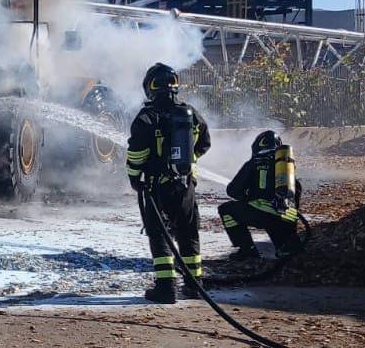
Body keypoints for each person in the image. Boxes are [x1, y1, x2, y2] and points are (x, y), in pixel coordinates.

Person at [126, 62, 211, 304]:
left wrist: (134, 178)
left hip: (157, 187)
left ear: (149, 87)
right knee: (188, 232)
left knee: (159, 234)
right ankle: (195, 286)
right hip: (185, 185)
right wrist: (188, 161)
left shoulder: (146, 118)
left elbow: (136, 155)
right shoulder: (190, 113)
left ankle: (166, 288)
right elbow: (204, 143)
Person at [217, 130, 304, 262]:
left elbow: (232, 191)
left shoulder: (253, 163)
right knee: (287, 252)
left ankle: (247, 248)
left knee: (225, 209)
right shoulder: (286, 168)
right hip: (284, 220)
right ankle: (288, 245)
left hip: (260, 216)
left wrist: (247, 196)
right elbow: (295, 194)